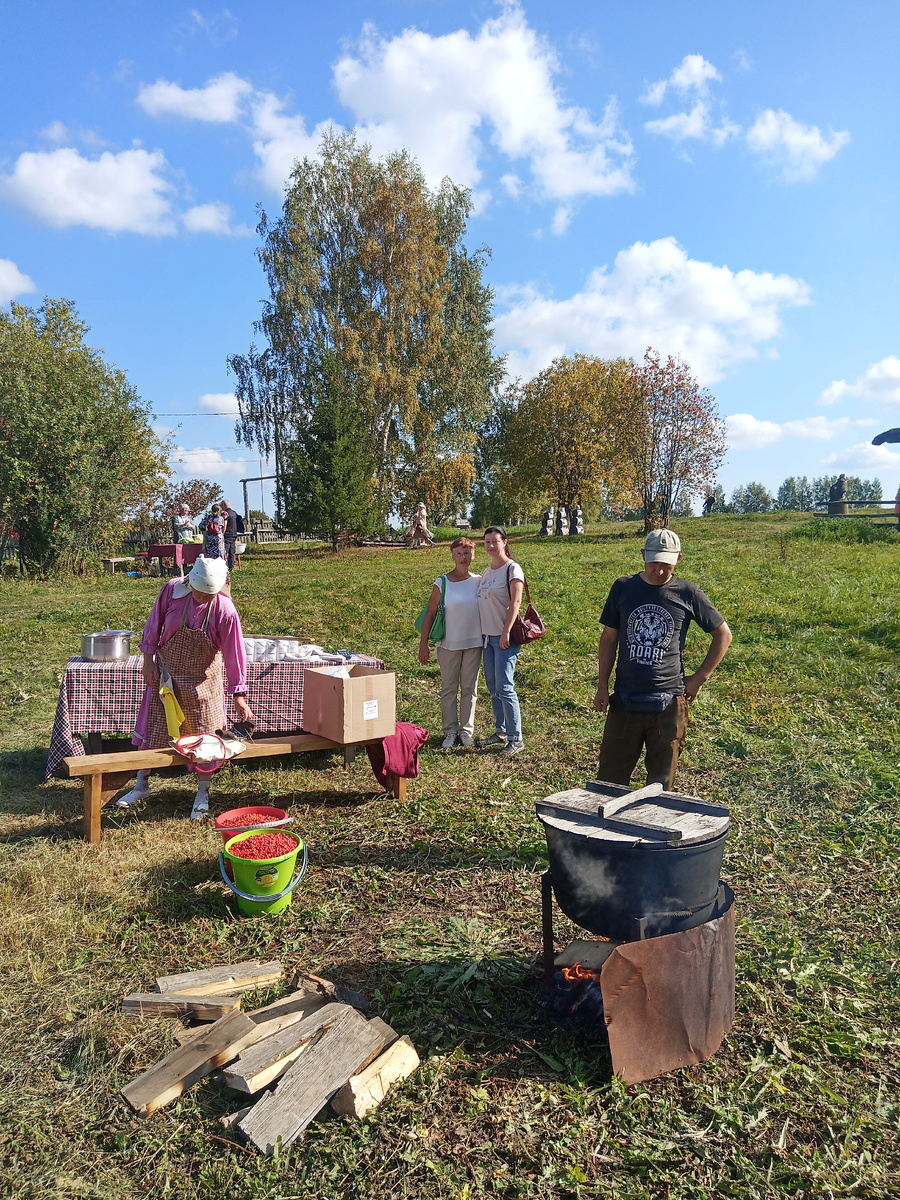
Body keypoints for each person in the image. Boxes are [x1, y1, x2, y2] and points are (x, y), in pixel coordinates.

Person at [593, 528, 732, 790]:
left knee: (660, 786)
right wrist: (602, 686)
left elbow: (723, 635)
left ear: (678, 559)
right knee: (609, 781)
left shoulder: (688, 593)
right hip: (624, 701)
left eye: (665, 564)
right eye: (654, 562)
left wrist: (699, 679)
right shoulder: (623, 588)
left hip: (668, 705)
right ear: (643, 555)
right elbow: (609, 639)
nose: (658, 570)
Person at [117, 557, 254, 818]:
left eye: (208, 594)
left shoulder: (225, 610)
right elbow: (153, 626)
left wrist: (239, 694)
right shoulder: (172, 590)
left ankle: (202, 793)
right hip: (166, 678)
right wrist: (148, 662)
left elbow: (235, 655)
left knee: (206, 741)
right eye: (199, 592)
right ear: (190, 583)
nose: (203, 598)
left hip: (204, 685)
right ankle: (141, 785)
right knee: (155, 730)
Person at [417, 537, 482, 748]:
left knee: (469, 688)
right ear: (452, 556)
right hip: (448, 644)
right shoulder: (442, 582)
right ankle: (450, 731)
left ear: (473, 555)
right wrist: (423, 644)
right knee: (449, 688)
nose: (463, 558)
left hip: (474, 643)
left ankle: (466, 731)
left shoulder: (479, 581)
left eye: (467, 553)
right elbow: (430, 614)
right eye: (459, 553)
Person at [476, 526, 526, 756]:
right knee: (494, 687)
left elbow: (516, 602)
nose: (490, 546)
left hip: (504, 637)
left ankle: (516, 738)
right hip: (488, 638)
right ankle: (501, 731)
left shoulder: (512, 569)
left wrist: (506, 632)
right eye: (487, 542)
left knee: (505, 687)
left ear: (504, 542)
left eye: (495, 541)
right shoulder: (487, 572)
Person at [221, 499, 240, 571]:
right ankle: (231, 567)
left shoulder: (225, 514)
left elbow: (224, 524)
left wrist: (222, 533)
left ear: (224, 505)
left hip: (227, 534)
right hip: (234, 534)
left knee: (224, 551)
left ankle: (224, 566)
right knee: (232, 552)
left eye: (221, 505)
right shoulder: (234, 513)